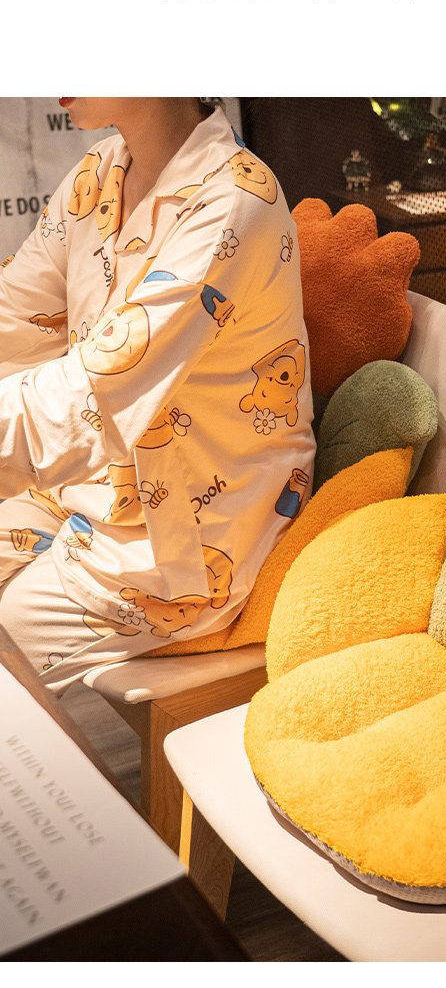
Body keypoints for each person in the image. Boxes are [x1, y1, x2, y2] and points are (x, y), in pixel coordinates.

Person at [0, 98, 314, 692]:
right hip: (91, 487)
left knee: (10, 629)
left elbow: (95, 392)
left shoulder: (233, 201)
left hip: (191, 533)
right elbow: (15, 315)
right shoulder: (99, 172)